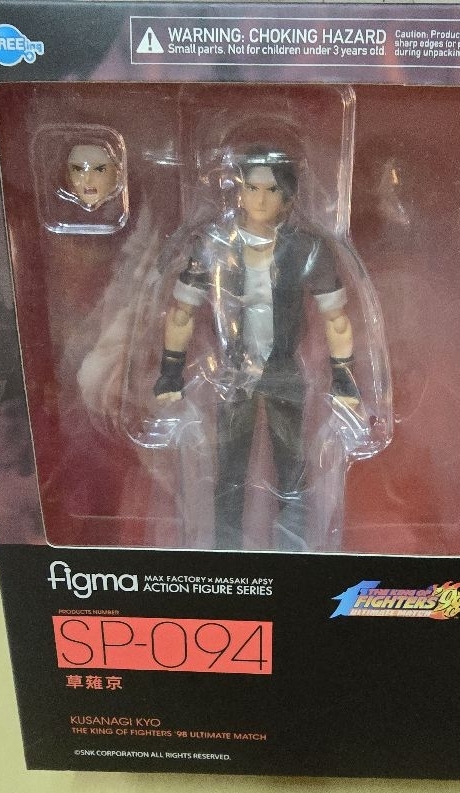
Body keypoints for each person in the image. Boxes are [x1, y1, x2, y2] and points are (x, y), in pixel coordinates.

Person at [153, 147, 361, 550]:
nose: (261, 199)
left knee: (293, 473)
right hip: (234, 373)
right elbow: (181, 313)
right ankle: (226, 555)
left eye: (271, 190)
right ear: (239, 191)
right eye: (251, 188)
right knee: (229, 472)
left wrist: (344, 377)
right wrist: (170, 373)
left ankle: (293, 555)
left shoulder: (306, 248)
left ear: (288, 196)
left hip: (284, 370)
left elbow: (336, 318)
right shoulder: (214, 244)